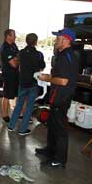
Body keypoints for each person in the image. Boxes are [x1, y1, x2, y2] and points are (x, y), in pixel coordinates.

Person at [36, 28, 79, 168]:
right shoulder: (62, 55)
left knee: (60, 128)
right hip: (57, 96)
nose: (55, 40)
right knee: (52, 125)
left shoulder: (67, 56)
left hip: (62, 97)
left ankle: (59, 159)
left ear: (66, 40)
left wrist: (46, 78)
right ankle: (50, 150)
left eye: (58, 38)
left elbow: (63, 81)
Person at [7, 33, 46, 135]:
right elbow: (42, 68)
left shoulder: (21, 53)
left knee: (19, 104)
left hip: (22, 82)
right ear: (36, 42)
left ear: (26, 41)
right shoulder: (39, 54)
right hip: (33, 83)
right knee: (29, 107)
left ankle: (11, 126)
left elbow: (17, 63)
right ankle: (23, 129)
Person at [0, 29, 19, 123]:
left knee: (16, 94)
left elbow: (19, 57)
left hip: (16, 74)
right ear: (8, 36)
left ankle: (17, 113)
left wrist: (16, 58)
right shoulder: (5, 48)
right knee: (7, 95)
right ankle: (5, 115)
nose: (15, 37)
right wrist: (16, 59)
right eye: (13, 35)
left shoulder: (14, 45)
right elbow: (14, 64)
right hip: (8, 75)